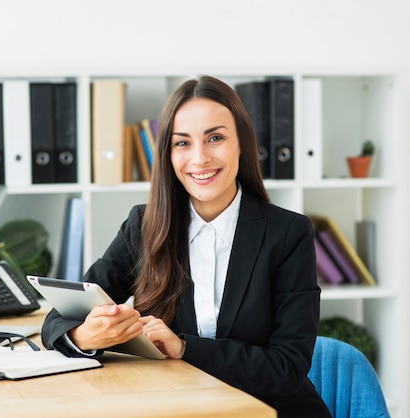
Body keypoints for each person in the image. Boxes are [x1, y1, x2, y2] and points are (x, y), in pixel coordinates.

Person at [41, 75, 331, 417]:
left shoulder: (288, 233)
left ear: (242, 144)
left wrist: (184, 348)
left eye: (216, 138)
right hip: (179, 407)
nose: (200, 158)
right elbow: (60, 316)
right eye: (183, 143)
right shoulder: (145, 226)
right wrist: (84, 337)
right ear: (168, 153)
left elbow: (286, 368)